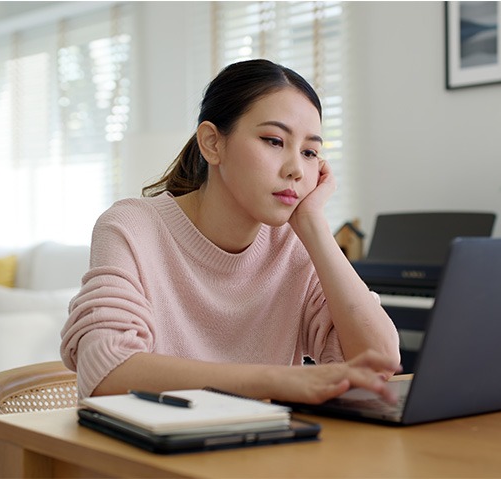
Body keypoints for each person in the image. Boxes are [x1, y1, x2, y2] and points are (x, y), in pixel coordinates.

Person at [60, 59, 401, 405]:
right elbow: (107, 370)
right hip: (154, 452)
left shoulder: (294, 243)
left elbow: (378, 362)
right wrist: (277, 380)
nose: (296, 169)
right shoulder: (132, 227)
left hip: (263, 451)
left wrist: (314, 227)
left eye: (310, 152)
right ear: (212, 143)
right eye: (273, 140)